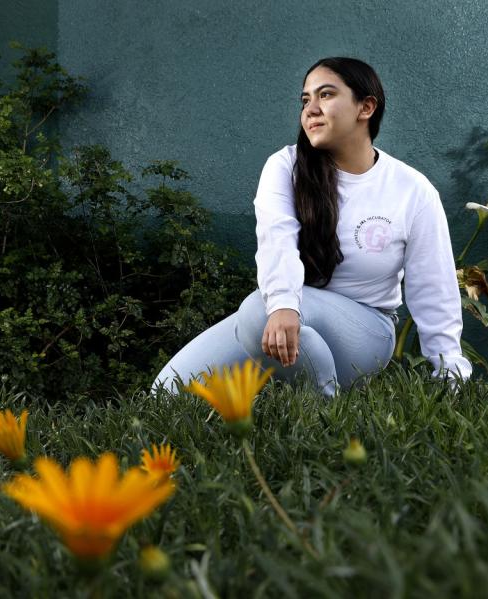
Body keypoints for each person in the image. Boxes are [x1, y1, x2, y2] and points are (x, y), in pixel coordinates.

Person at [151, 57, 471, 397]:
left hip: (366, 332)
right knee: (167, 391)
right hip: (292, 314)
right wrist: (286, 306)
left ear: (366, 107)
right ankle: (300, 369)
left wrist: (449, 373)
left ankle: (326, 409)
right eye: (305, 100)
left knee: (259, 312)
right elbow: (277, 241)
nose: (311, 109)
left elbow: (433, 287)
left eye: (326, 95)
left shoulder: (411, 189)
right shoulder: (285, 166)